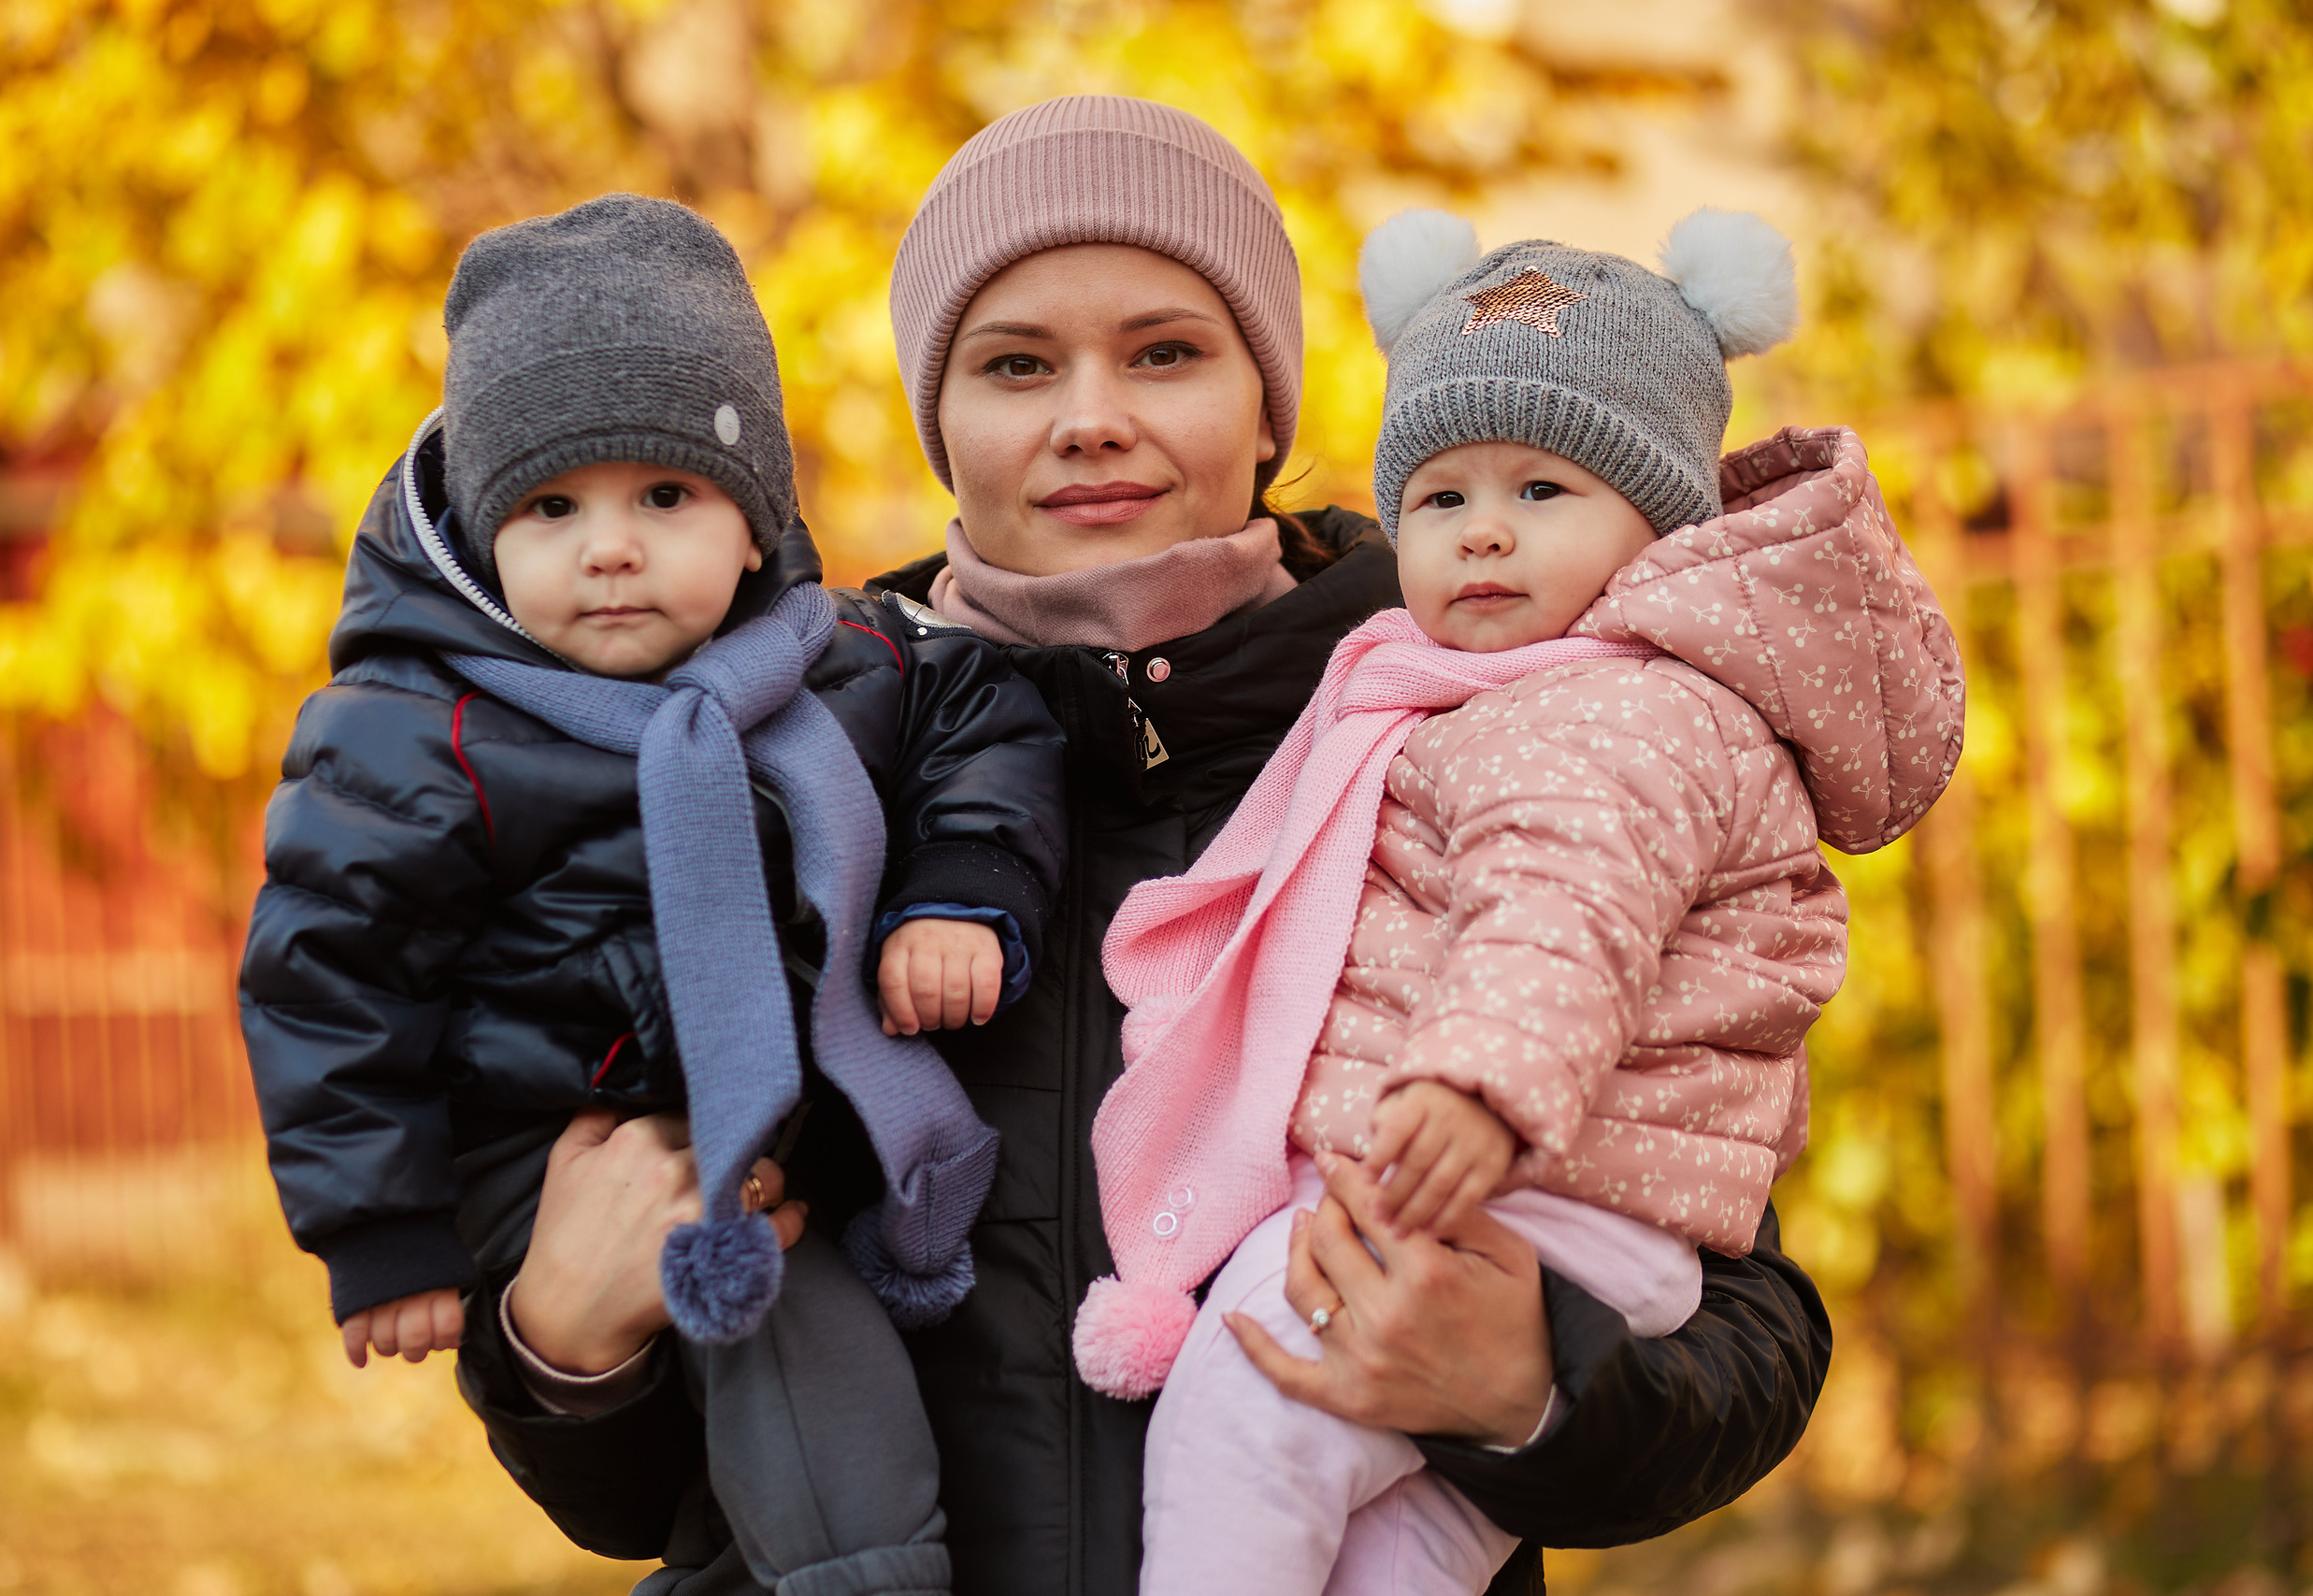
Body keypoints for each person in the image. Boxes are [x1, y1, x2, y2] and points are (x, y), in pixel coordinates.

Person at [458, 98, 1844, 1596]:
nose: (1089, 416)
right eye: (1014, 366)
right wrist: (558, 1344)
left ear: (1269, 407)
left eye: (1166, 351)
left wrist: (1532, 1383)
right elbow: (640, 1473)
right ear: (945, 425)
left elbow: (1740, 1313)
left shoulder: (1498, 722)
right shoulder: (777, 763)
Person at [1072, 208, 1963, 1593]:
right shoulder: (1476, 698)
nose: (1484, 535)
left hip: (1523, 1197)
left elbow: (1563, 908)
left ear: (1658, 529)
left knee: (1242, 1431)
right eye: (1441, 498)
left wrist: (1481, 1085)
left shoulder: (1603, 711)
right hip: (1592, 1208)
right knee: (1395, 1553)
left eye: (1542, 492)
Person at [237, 194, 1067, 1596]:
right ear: (485, 535)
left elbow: (988, 724)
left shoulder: (848, 659)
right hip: (554, 1154)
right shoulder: (421, 727)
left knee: (774, 1448)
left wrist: (964, 887)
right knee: (814, 1387)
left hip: (789, 1147)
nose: (607, 547)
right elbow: (327, 974)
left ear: (755, 527)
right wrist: (383, 1228)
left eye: (664, 497)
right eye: (553, 507)